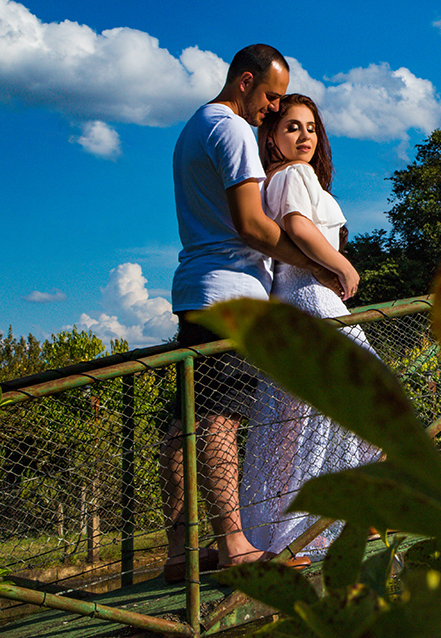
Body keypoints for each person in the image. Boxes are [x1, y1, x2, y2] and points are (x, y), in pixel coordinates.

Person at [163, 45, 343, 582]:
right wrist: (312, 264)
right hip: (231, 294)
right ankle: (237, 544)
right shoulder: (234, 129)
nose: (272, 108)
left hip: (195, 287)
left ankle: (179, 551)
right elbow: (252, 225)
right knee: (221, 416)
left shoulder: (192, 127)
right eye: (271, 96)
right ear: (245, 82)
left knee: (184, 419)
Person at [240, 93, 379, 556]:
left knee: (302, 421)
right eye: (292, 127)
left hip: (294, 304)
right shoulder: (293, 175)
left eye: (312, 128)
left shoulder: (283, 179)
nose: (304, 137)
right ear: (272, 138)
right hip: (312, 301)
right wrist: (343, 266)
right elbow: (298, 228)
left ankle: (323, 518)